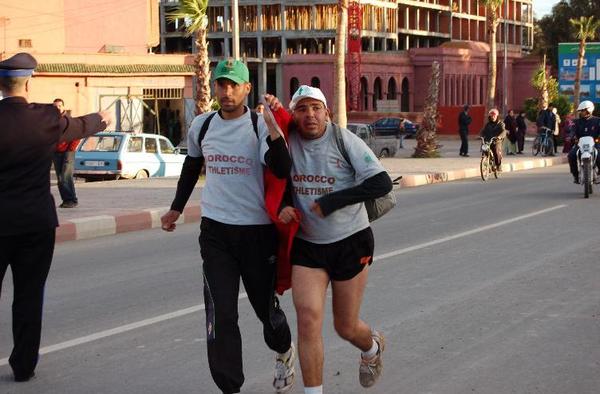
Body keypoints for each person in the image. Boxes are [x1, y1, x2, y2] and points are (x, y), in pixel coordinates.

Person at [159, 59, 296, 394]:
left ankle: (283, 351)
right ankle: (230, 387)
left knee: (265, 311)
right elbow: (192, 167)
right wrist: (175, 209)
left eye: (234, 84)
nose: (227, 91)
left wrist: (275, 131)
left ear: (247, 88)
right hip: (216, 232)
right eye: (222, 84)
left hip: (256, 233)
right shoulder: (203, 126)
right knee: (221, 313)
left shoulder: (258, 125)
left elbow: (281, 168)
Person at [263, 85, 393, 394]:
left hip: (351, 242)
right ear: (294, 115)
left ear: (327, 113)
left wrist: (334, 201)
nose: (310, 115)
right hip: (309, 247)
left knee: (345, 326)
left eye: (316, 108)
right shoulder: (287, 142)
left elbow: (381, 182)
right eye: (302, 109)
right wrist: (282, 208)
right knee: (307, 320)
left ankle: (372, 348)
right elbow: (274, 181)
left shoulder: (343, 139)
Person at [0, 52, 112, 382]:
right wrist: (102, 119)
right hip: (36, 223)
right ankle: (23, 366)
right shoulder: (46, 117)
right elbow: (78, 126)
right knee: (29, 295)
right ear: (28, 81)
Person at [52, 98, 80, 208]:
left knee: (65, 176)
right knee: (60, 178)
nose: (57, 108)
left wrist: (70, 149)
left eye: (59, 106)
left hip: (68, 152)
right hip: (56, 152)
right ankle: (66, 200)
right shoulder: (52, 121)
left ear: (63, 107)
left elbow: (77, 135)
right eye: (55, 106)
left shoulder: (69, 120)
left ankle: (72, 200)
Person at [567, 100, 600, 183]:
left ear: (589, 110)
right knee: (571, 155)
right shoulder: (576, 121)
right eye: (581, 111)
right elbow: (572, 130)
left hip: (594, 143)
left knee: (599, 155)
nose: (581, 112)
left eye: (583, 110)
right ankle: (575, 175)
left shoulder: (597, 120)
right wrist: (570, 136)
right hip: (580, 144)